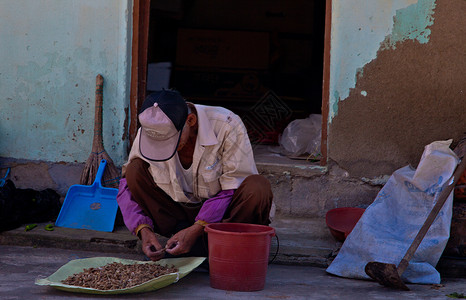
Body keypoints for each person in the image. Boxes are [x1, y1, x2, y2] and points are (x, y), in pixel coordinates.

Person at [117, 90, 274, 261]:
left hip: (221, 217)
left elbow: (232, 188)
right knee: (134, 170)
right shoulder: (148, 131)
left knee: (257, 188)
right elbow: (126, 187)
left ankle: (216, 244)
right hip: (175, 214)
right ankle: (191, 243)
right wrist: (143, 230)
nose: (163, 147)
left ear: (190, 121)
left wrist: (198, 228)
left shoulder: (227, 124)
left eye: (169, 141)